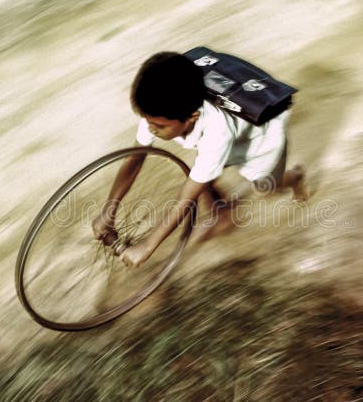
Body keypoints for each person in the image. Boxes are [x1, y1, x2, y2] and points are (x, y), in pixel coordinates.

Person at [93, 52, 307, 269]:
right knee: (202, 173)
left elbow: (187, 197)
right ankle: (221, 215)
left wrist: (147, 247)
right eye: (148, 122)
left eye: (159, 127)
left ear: (192, 117)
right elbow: (135, 159)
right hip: (226, 137)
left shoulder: (216, 132)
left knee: (266, 188)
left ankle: (295, 177)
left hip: (260, 139)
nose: (151, 129)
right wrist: (108, 211)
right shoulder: (158, 111)